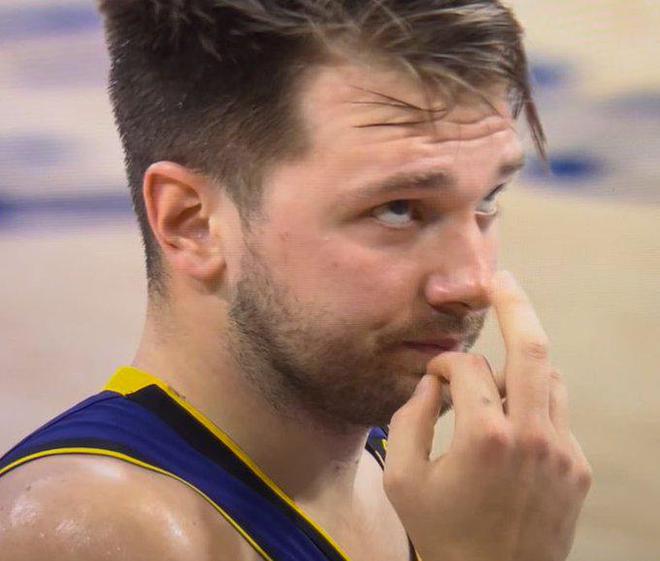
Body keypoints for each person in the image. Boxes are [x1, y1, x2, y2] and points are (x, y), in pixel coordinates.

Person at [0, 1, 592, 560]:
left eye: (487, 198)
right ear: (192, 223)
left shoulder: (416, 487)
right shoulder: (87, 528)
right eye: (398, 209)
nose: (473, 281)